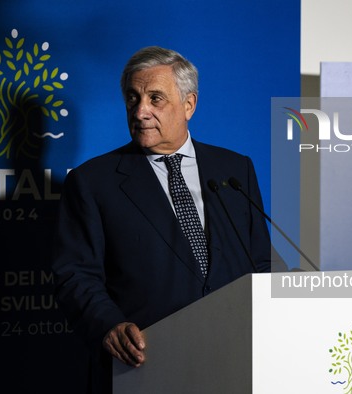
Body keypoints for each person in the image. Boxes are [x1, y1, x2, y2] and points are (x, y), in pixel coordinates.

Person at [52, 46, 273, 393]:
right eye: (133, 98)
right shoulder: (94, 181)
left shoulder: (235, 169)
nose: (141, 111)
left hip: (233, 359)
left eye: (156, 99)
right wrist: (108, 326)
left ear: (189, 104)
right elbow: (75, 275)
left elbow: (260, 262)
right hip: (145, 366)